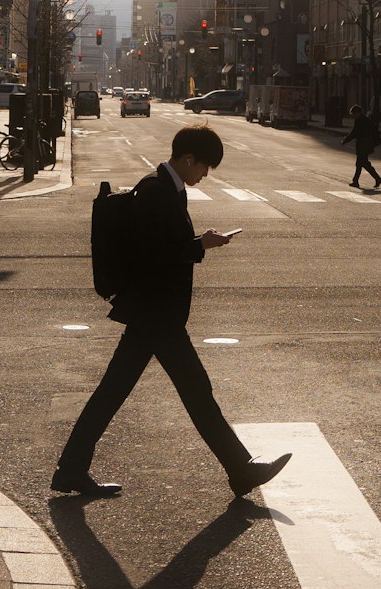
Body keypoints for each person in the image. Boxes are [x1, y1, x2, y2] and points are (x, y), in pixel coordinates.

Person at [50, 123, 290, 502]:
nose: (205, 175)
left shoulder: (166, 189)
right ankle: (240, 471)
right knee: (195, 392)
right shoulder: (156, 190)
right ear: (188, 159)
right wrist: (200, 245)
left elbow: (162, 245)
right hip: (156, 312)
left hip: (152, 312)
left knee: (115, 392)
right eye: (205, 167)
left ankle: (71, 469)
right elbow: (153, 254)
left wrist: (196, 243)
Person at [346, 102, 381, 190]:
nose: (353, 116)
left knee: (360, 163)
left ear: (357, 113)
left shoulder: (360, 120)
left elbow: (354, 132)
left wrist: (345, 140)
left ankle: (356, 181)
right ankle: (377, 178)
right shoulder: (366, 119)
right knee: (364, 163)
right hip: (366, 144)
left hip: (363, 144)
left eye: (354, 114)